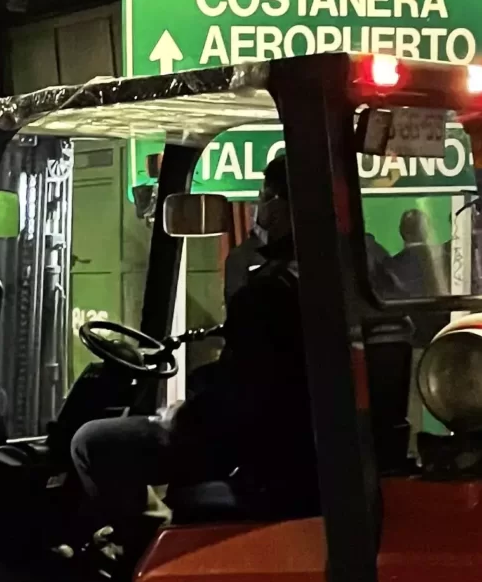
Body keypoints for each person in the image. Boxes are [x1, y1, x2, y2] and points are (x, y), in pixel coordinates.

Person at [71, 154, 316, 522]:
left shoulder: (268, 292)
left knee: (91, 441)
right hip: (286, 442)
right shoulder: (325, 280)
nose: (258, 209)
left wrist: (181, 415)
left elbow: (241, 395)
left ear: (281, 207)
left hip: (253, 447)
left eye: (263, 197)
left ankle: (134, 543)